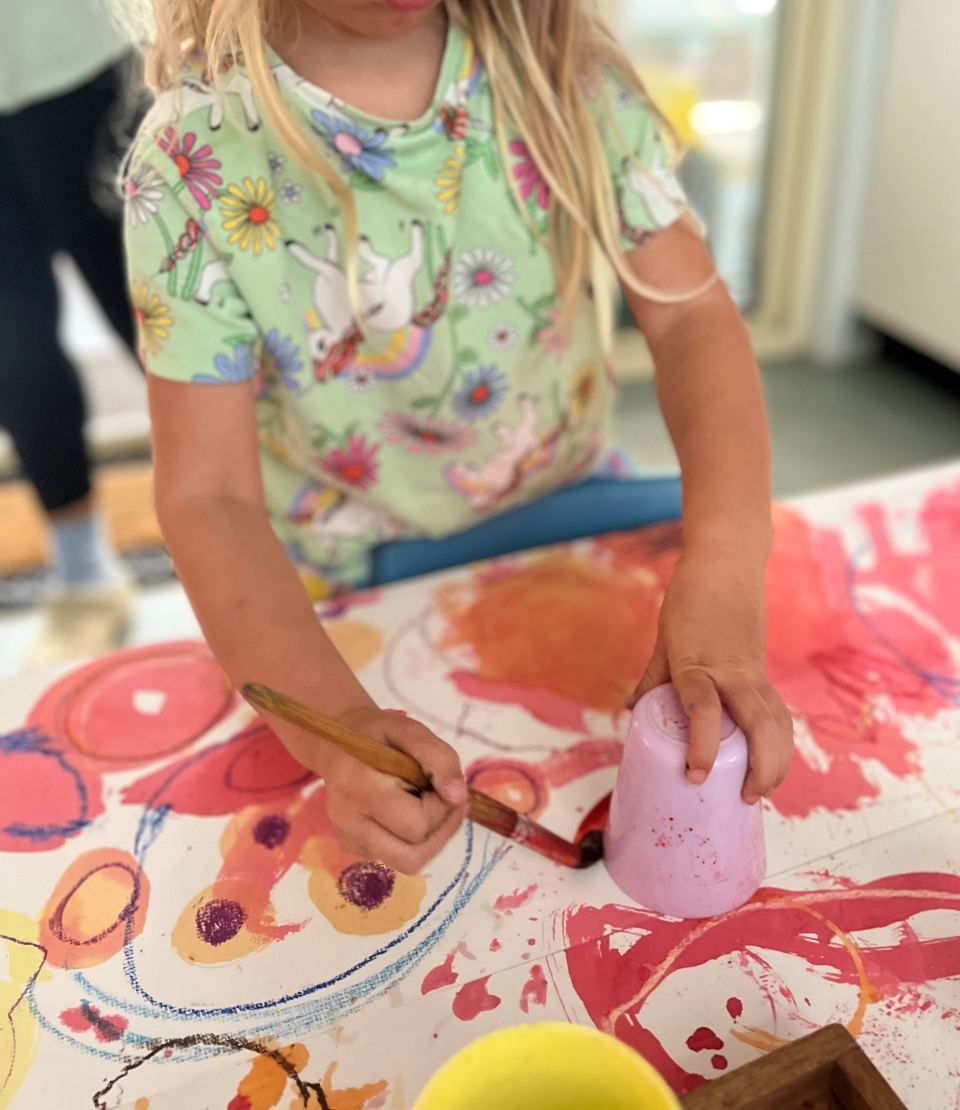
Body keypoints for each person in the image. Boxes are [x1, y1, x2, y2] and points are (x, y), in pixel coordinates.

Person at [124, 0, 794, 875]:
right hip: (337, 591)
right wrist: (340, 734)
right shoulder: (191, 162)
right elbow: (206, 498)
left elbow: (692, 320)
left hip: (567, 520)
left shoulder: (558, 68)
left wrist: (727, 566)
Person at [0, 0, 139, 666]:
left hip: (78, 57)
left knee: (157, 318)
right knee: (14, 352)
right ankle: (83, 576)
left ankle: (277, 535)